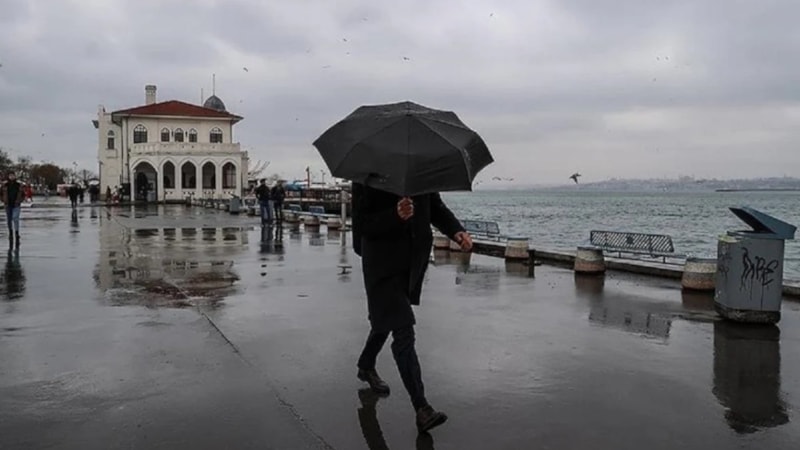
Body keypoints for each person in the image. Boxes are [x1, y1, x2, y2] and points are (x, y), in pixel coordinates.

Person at [351, 182, 473, 433]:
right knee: (403, 329)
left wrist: (456, 231)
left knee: (387, 319)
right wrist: (394, 215)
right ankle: (422, 408)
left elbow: (435, 207)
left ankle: (365, 365)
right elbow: (362, 224)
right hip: (381, 265)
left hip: (410, 266)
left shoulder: (421, 168)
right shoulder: (367, 173)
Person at [2, 172, 24, 247]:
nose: (11, 177)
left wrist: (19, 201)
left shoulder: (18, 185)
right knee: (9, 220)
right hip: (8, 205)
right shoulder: (5, 185)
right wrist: (3, 200)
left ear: (15, 176)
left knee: (15, 218)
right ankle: (10, 233)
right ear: (8, 176)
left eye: (13, 176)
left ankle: (17, 233)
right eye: (10, 176)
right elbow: (1, 194)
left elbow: (23, 194)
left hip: (16, 205)